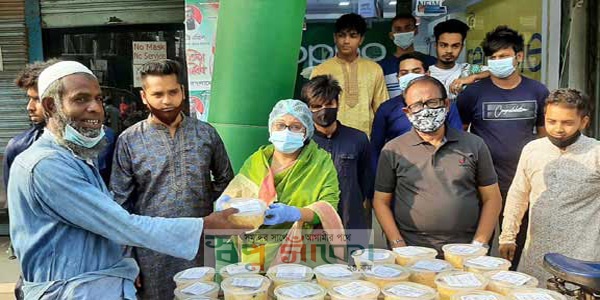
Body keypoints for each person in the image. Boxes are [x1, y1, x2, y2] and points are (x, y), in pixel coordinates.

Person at [7, 60, 249, 299]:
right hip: (118, 267)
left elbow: (225, 181)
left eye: (99, 99)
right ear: (50, 106)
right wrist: (203, 225)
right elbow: (119, 218)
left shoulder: (78, 158)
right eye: (81, 99)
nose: (95, 108)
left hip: (188, 249)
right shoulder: (47, 165)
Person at [110, 59, 234, 300]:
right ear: (144, 97)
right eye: (157, 94)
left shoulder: (205, 133)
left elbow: (226, 181)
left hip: (200, 247)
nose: (167, 101)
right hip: (152, 252)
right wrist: (127, 258)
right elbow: (119, 205)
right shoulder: (129, 141)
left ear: (183, 93)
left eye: (173, 92)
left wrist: (211, 216)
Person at [373, 76, 502, 252]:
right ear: (407, 112)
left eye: (432, 102)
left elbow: (492, 198)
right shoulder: (393, 150)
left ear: (446, 104)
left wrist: (479, 244)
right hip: (412, 249)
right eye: (417, 106)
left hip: (465, 248)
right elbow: (381, 201)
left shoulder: (474, 144)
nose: (425, 111)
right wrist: (398, 244)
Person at [456, 26, 549, 269]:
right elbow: (459, 135)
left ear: (519, 56)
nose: (499, 62)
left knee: (516, 244)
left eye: (504, 56)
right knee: (477, 245)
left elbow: (544, 139)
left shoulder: (537, 91)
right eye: (494, 58)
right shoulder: (472, 94)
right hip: (480, 182)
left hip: (520, 182)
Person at [219, 99, 345, 268]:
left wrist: (294, 213)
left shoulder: (320, 163)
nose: (286, 131)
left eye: (295, 126)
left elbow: (329, 206)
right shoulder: (257, 160)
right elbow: (236, 191)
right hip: (256, 251)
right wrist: (225, 202)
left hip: (301, 251)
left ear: (306, 131)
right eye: (280, 125)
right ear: (271, 127)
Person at [498, 89, 600, 284]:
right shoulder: (532, 150)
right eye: (551, 121)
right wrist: (508, 236)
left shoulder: (596, 154)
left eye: (567, 123)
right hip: (536, 257)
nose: (558, 129)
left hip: (582, 263)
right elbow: (518, 195)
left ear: (584, 122)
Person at [300, 75, 373, 236]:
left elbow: (365, 182)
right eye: (316, 106)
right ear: (307, 109)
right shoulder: (301, 143)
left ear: (337, 103)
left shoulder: (358, 139)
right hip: (312, 229)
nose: (323, 110)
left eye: (329, 104)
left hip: (352, 225)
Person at [371, 53, 463, 172]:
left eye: (416, 71)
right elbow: (375, 149)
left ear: (427, 74)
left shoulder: (444, 105)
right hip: (401, 172)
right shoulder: (387, 108)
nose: (410, 76)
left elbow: (458, 141)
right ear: (397, 78)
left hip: (441, 170)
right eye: (404, 73)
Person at [311, 13, 389, 135]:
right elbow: (315, 109)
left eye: (353, 36)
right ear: (335, 38)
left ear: (361, 39)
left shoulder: (374, 69)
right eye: (342, 35)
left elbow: (381, 109)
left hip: (366, 138)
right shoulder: (321, 70)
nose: (346, 41)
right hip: (330, 137)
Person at [428, 19, 490, 100]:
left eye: (455, 46)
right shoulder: (424, 72)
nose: (449, 51)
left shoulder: (468, 70)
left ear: (461, 48)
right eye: (443, 45)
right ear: (435, 45)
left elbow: (495, 71)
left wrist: (473, 77)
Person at [378, 14, 437, 98]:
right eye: (398, 29)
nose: (403, 32)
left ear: (415, 31)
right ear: (391, 35)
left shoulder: (431, 62)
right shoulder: (382, 67)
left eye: (408, 28)